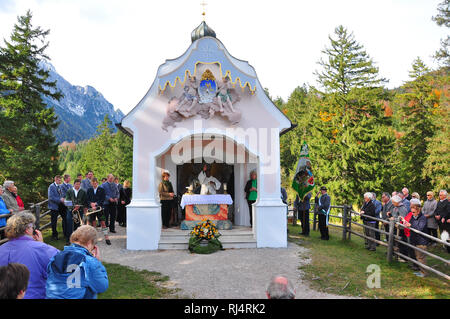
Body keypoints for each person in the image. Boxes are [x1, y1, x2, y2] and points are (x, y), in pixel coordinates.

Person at [0, 212, 59, 299]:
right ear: (27, 229)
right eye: (33, 227)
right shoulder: (42, 249)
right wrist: (42, 245)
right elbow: (62, 266)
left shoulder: (1, 249)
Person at [46, 225, 109, 299]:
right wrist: (98, 263)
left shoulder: (56, 256)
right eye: (93, 245)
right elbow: (102, 286)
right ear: (89, 243)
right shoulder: (89, 261)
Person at [403, 199, 429, 277]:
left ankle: (424, 273)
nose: (412, 214)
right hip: (415, 240)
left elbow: (419, 228)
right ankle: (421, 271)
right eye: (411, 212)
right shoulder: (413, 217)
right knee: (417, 257)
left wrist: (410, 225)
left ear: (418, 211)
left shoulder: (423, 218)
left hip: (421, 241)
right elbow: (411, 223)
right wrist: (407, 223)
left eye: (414, 212)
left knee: (421, 258)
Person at [87, 178, 110, 245]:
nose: (94, 184)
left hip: (99, 209)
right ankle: (95, 239)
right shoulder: (89, 190)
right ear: (91, 183)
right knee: (93, 224)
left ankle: (106, 237)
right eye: (93, 183)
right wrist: (91, 204)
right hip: (92, 209)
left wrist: (96, 204)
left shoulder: (102, 190)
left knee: (103, 223)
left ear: (97, 183)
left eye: (95, 183)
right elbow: (87, 199)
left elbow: (102, 199)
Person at [65, 179, 88, 244]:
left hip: (79, 210)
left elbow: (85, 201)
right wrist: (73, 207)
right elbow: (67, 201)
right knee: (69, 224)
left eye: (79, 184)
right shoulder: (69, 191)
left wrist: (80, 206)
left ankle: (77, 239)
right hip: (71, 210)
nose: (77, 185)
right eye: (76, 184)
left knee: (77, 225)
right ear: (74, 184)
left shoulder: (83, 191)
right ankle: (68, 239)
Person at [388, 195, 409, 260]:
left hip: (401, 228)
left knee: (402, 242)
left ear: (397, 202)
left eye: (394, 202)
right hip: (395, 227)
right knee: (397, 242)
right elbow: (394, 215)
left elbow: (402, 218)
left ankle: (404, 257)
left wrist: (394, 219)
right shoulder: (395, 207)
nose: (393, 203)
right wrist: (390, 215)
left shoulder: (402, 208)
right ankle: (397, 254)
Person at [48, 175, 67, 240]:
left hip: (61, 206)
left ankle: (65, 233)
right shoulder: (51, 186)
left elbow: (62, 194)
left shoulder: (60, 186)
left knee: (65, 218)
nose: (60, 181)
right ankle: (54, 235)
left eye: (60, 180)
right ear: (55, 180)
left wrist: (64, 198)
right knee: (54, 221)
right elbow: (51, 197)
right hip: (54, 206)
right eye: (59, 180)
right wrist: (59, 200)